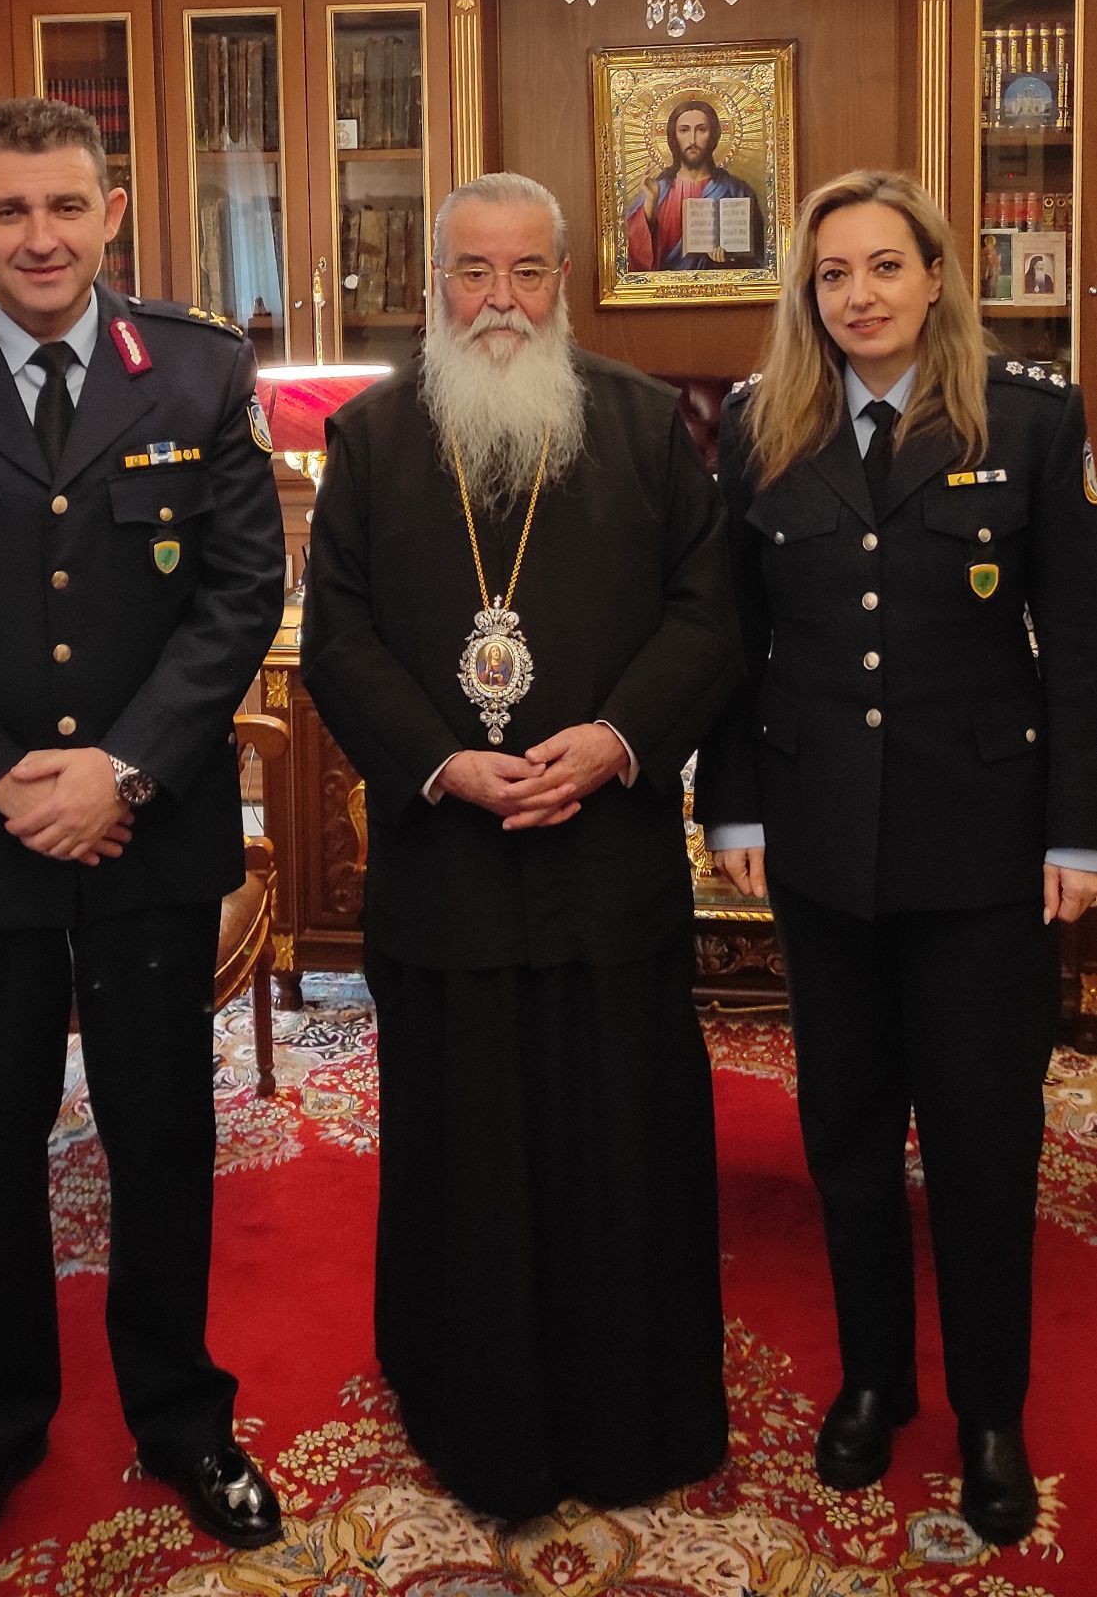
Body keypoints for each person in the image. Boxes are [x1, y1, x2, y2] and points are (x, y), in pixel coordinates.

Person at [0, 98, 287, 1569]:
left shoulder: (200, 368)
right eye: (10, 209)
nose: (41, 237)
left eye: (67, 206)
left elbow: (241, 592)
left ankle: (183, 1415)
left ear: (112, 214)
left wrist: (122, 773)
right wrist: (2, 781)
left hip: (148, 831)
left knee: (160, 1131)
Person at [300, 171, 743, 1522]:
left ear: (565, 280)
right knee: (466, 1156)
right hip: (448, 871)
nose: (500, 300)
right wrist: (441, 761)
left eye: (527, 271)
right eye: (473, 272)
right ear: (433, 283)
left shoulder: (645, 426)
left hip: (605, 867)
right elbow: (336, 637)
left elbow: (710, 616)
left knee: (620, 1144)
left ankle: (628, 1416)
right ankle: (472, 1413)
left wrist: (615, 740)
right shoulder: (372, 439)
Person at [694, 169, 1097, 1547]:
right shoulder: (761, 428)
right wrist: (732, 809)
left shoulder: (1026, 417)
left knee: (983, 1143)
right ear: (805, 295)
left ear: (934, 276)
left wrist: (1077, 827)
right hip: (823, 848)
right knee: (849, 1136)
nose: (857, 294)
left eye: (882, 266)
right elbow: (732, 643)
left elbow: (1078, 640)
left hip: (985, 848)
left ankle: (990, 1414)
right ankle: (872, 1380)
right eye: (831, 274)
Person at [626, 98, 762, 270]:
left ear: (713, 135)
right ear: (673, 137)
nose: (692, 140)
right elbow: (632, 261)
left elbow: (758, 259)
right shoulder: (656, 191)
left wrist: (730, 259)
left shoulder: (738, 191)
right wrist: (649, 207)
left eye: (701, 129)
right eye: (684, 130)